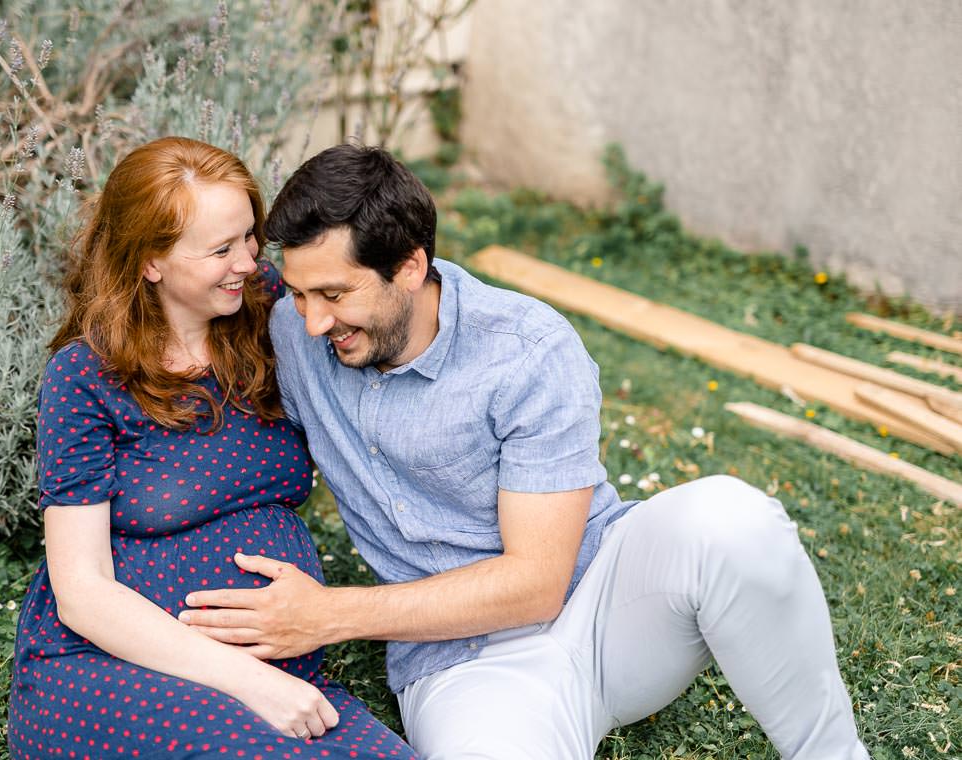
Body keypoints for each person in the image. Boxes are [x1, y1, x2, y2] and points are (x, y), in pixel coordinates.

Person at [178, 144, 871, 759]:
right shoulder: (296, 334)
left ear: (411, 267)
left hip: (605, 606)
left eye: (334, 293)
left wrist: (331, 614)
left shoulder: (528, 349)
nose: (313, 319)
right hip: (462, 667)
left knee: (733, 520)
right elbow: (179, 325)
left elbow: (538, 581)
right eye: (298, 292)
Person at [7, 137, 417, 759]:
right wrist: (253, 681)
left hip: (278, 672)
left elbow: (380, 290)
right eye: (221, 249)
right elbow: (82, 591)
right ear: (151, 262)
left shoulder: (276, 313)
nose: (248, 262)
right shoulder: (86, 376)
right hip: (113, 670)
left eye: (250, 237)